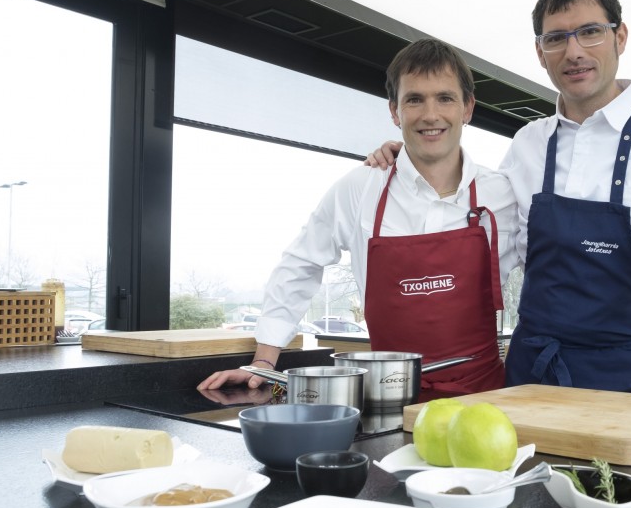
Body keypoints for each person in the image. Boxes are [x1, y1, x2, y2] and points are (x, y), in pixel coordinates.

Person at [365, 0, 631, 411]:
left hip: (626, 380)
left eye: (590, 31)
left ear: (619, 36)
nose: (574, 51)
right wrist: (412, 159)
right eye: (556, 38)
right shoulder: (527, 143)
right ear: (540, 52)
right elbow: (478, 237)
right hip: (530, 379)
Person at [199, 38, 519, 402]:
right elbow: (301, 263)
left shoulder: (504, 194)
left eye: (445, 98)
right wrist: (264, 361)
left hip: (485, 399)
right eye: (414, 99)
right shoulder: (359, 188)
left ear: (468, 108)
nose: (431, 114)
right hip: (387, 401)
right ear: (395, 112)